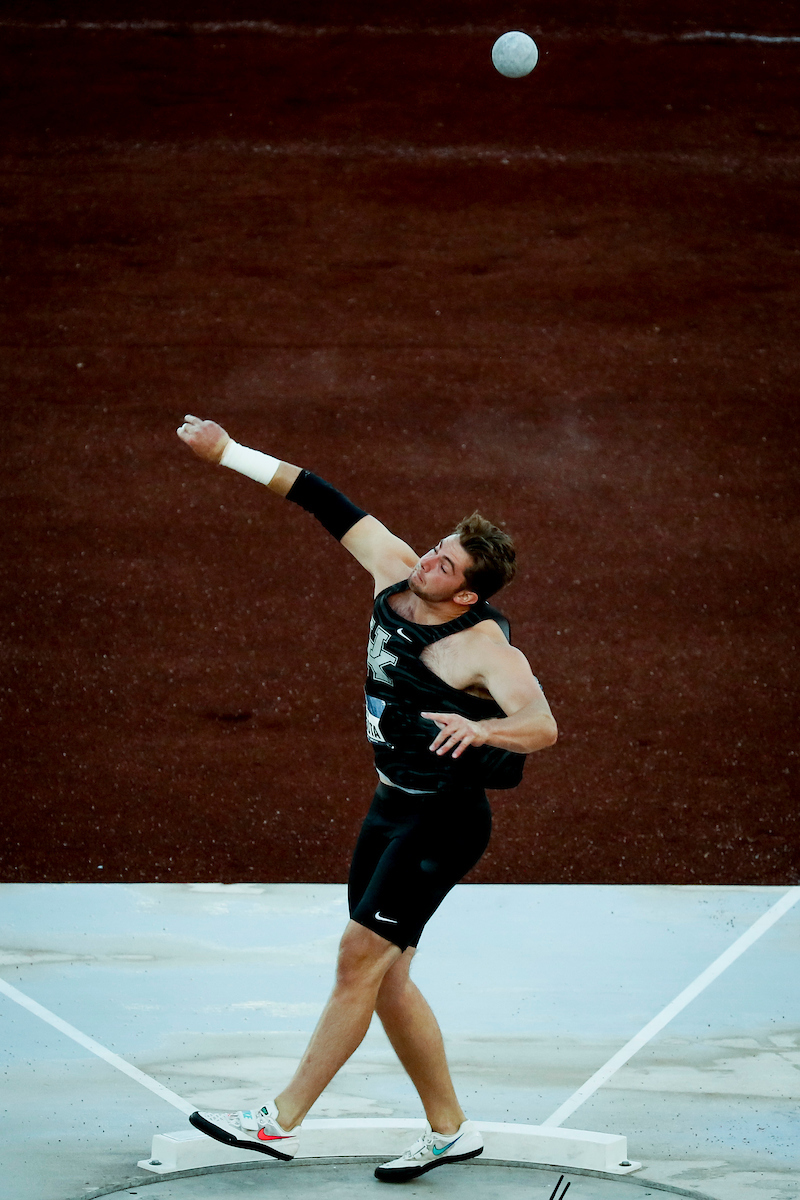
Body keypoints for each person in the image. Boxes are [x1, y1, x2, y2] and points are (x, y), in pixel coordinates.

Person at [176, 414, 557, 1181]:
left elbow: (541, 725)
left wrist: (486, 735)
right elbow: (320, 498)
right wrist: (228, 454)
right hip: (390, 805)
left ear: (469, 594)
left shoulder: (482, 649)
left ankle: (279, 1121)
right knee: (386, 978)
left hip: (444, 817)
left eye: (446, 566)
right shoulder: (395, 570)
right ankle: (449, 1129)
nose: (429, 562)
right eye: (437, 548)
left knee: (358, 960)